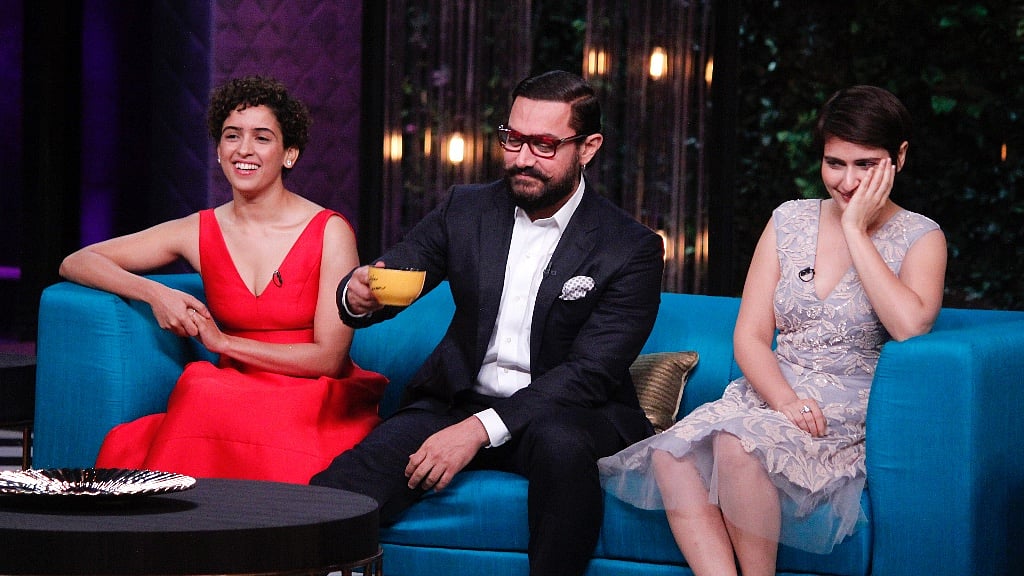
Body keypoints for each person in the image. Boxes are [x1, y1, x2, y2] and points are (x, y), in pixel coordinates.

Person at [310, 70, 665, 576]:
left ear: (588, 148)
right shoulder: (467, 208)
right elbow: (396, 272)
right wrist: (359, 294)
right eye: (512, 139)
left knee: (561, 447)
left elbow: (589, 374)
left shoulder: (630, 247)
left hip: (568, 411)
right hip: (459, 399)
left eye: (543, 145)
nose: (521, 158)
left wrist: (477, 431)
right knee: (340, 493)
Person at [598, 85, 947, 575]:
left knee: (736, 447)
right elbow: (749, 336)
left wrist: (854, 229)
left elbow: (910, 328)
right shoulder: (789, 219)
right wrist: (783, 400)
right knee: (671, 457)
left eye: (865, 165)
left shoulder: (921, 236)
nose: (846, 182)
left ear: (899, 158)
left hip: (843, 408)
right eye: (834, 163)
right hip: (771, 393)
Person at [59, 75, 387, 484]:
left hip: (311, 391)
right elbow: (78, 261)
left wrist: (223, 343)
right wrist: (156, 293)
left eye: (262, 138)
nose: (244, 150)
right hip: (234, 388)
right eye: (232, 136)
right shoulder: (197, 230)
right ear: (218, 150)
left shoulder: (329, 230)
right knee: (201, 392)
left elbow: (328, 358)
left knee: (208, 394)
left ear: (289, 154)